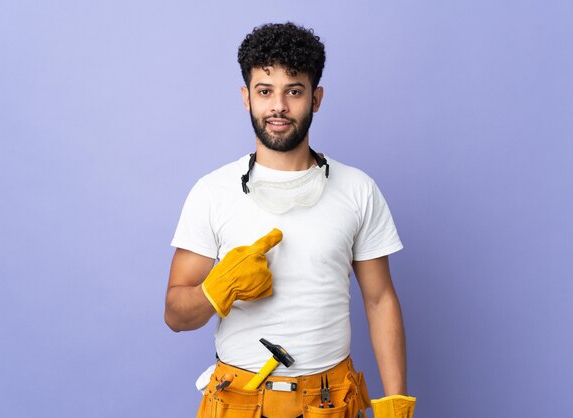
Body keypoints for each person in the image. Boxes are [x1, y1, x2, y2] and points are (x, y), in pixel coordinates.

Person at [165, 22, 416, 418]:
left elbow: (380, 298)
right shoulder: (212, 192)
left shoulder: (357, 189)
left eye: (293, 91)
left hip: (329, 403)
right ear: (246, 97)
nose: (278, 106)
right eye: (265, 91)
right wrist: (217, 288)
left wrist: (396, 401)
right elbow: (175, 315)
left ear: (316, 98)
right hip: (238, 401)